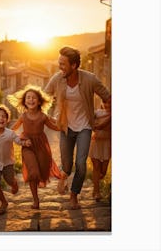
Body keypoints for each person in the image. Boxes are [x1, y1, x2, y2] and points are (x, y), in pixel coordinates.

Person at [44, 46, 111, 209]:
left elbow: (108, 97)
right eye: (59, 63)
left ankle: (74, 195)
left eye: (63, 64)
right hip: (66, 128)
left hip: (85, 127)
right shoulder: (57, 79)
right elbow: (43, 98)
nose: (60, 67)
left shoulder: (90, 79)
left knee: (81, 163)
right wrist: (45, 119)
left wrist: (107, 120)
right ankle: (64, 175)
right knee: (67, 165)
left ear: (74, 65)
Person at [7, 85, 61, 209]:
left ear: (39, 101)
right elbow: (13, 129)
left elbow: (54, 127)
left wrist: (66, 127)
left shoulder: (43, 116)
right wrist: (3, 134)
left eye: (33, 98)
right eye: (28, 98)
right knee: (33, 172)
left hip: (41, 145)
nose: (31, 100)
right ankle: (35, 200)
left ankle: (61, 178)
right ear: (24, 101)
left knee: (43, 171)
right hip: (27, 145)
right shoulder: (23, 116)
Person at [89, 103, 111, 201]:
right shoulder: (97, 112)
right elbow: (91, 123)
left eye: (110, 103)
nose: (107, 105)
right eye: (105, 102)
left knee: (103, 171)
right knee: (96, 167)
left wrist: (100, 125)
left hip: (108, 143)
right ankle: (96, 191)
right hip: (96, 142)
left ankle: (96, 184)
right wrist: (95, 125)